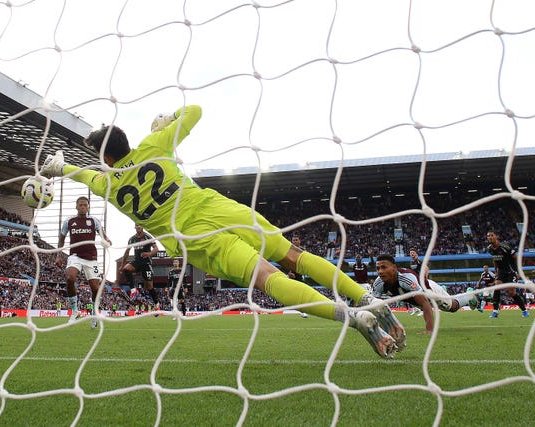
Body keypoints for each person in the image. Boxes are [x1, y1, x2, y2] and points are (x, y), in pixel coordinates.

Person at [40, 104, 406, 358]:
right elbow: (196, 111)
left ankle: (354, 319)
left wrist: (59, 167)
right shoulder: (155, 145)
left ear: (106, 158)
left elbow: (83, 175)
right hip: (221, 209)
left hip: (196, 237)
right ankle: (363, 297)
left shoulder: (110, 185)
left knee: (267, 278)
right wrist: (167, 122)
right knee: (294, 256)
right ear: (127, 142)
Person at [372, 254, 476, 335]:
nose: (380, 271)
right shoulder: (378, 284)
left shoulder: (406, 279)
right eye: (378, 268)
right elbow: (373, 306)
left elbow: (425, 303)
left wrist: (429, 330)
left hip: (430, 292)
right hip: (414, 297)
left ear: (394, 267)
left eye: (384, 267)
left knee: (452, 307)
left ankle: (469, 295)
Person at [56, 196, 111, 327]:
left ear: (88, 207)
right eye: (80, 205)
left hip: (91, 258)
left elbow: (103, 234)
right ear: (76, 206)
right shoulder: (69, 221)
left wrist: (107, 241)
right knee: (70, 278)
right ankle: (75, 311)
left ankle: (94, 312)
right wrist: (58, 255)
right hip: (75, 256)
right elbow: (61, 238)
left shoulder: (94, 221)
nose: (82, 207)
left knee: (95, 288)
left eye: (85, 205)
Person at [485, 230, 529, 318]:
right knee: (496, 287)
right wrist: (496, 272)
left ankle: (524, 310)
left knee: (511, 293)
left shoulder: (505, 247)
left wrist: (518, 271)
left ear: (496, 236)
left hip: (511, 271)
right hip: (501, 271)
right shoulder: (489, 248)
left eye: (491, 235)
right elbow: (495, 259)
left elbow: (516, 258)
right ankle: (495, 311)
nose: (489, 237)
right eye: (488, 236)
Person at [121, 225, 160, 308]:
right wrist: (121, 265)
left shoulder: (148, 237)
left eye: (139, 225)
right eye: (136, 225)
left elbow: (156, 249)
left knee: (149, 286)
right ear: (134, 227)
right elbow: (127, 252)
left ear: (142, 227)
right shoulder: (132, 239)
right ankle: (133, 290)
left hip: (146, 263)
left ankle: (156, 303)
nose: (138, 227)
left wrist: (149, 254)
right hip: (137, 261)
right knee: (126, 269)